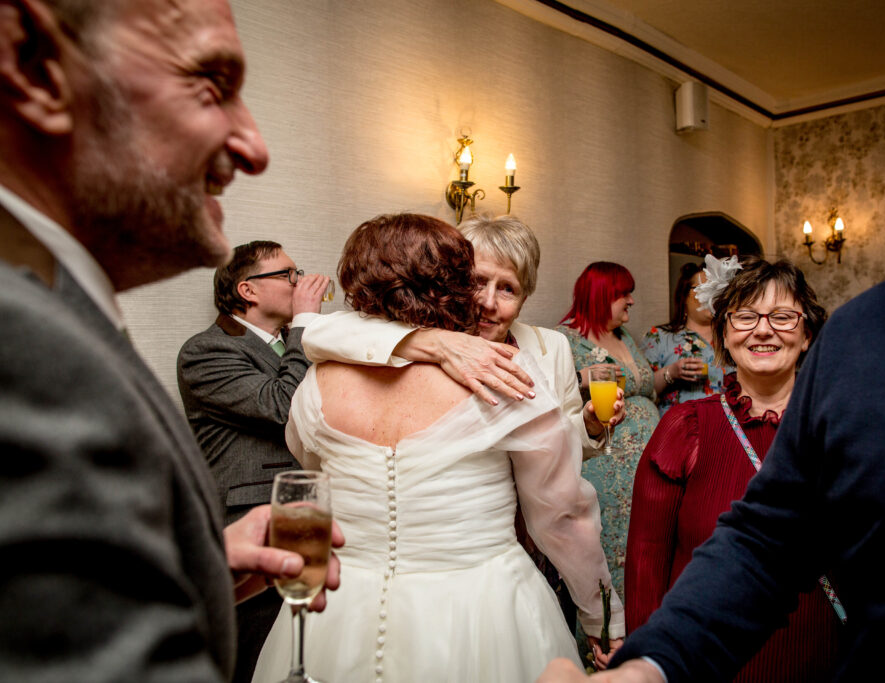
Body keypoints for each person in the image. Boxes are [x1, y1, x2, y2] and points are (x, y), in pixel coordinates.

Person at [537, 0, 885, 680]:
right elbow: (767, 540)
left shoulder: (839, 350)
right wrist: (649, 663)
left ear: (807, 333)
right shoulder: (870, 337)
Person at [0, 1, 341, 680]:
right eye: (212, 86)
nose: (254, 146)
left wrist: (200, 568)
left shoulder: (57, 310)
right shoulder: (26, 342)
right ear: (36, 68)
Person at [251, 214, 625, 682]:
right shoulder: (506, 376)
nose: (488, 301)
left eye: (506, 288)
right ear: (454, 285)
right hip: (479, 607)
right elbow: (563, 516)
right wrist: (601, 615)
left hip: (341, 603)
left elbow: (308, 461)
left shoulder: (316, 382)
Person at [626, 256, 839, 681]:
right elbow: (647, 560)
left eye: (782, 316)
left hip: (828, 656)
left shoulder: (843, 429)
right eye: (745, 317)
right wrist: (648, 664)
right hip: (710, 664)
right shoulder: (686, 428)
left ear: (807, 334)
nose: (763, 330)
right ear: (724, 331)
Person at [177, 240, 330, 683]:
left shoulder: (300, 343)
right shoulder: (206, 351)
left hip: (307, 515)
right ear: (248, 290)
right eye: (287, 275)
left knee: (298, 651)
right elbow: (282, 405)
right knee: (253, 659)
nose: (300, 283)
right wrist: (304, 322)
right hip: (249, 520)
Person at [556, 262, 660, 599]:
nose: (631, 300)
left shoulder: (625, 336)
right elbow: (546, 398)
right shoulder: (566, 340)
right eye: (623, 294)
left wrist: (669, 375)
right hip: (607, 469)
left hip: (652, 463)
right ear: (601, 295)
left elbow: (644, 387)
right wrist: (581, 379)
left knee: (652, 552)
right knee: (615, 554)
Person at [643, 262, 725, 416]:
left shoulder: (732, 337)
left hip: (726, 427)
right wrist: (671, 372)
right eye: (703, 289)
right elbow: (642, 389)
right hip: (679, 429)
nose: (710, 296)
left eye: (715, 290)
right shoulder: (659, 336)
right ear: (684, 296)